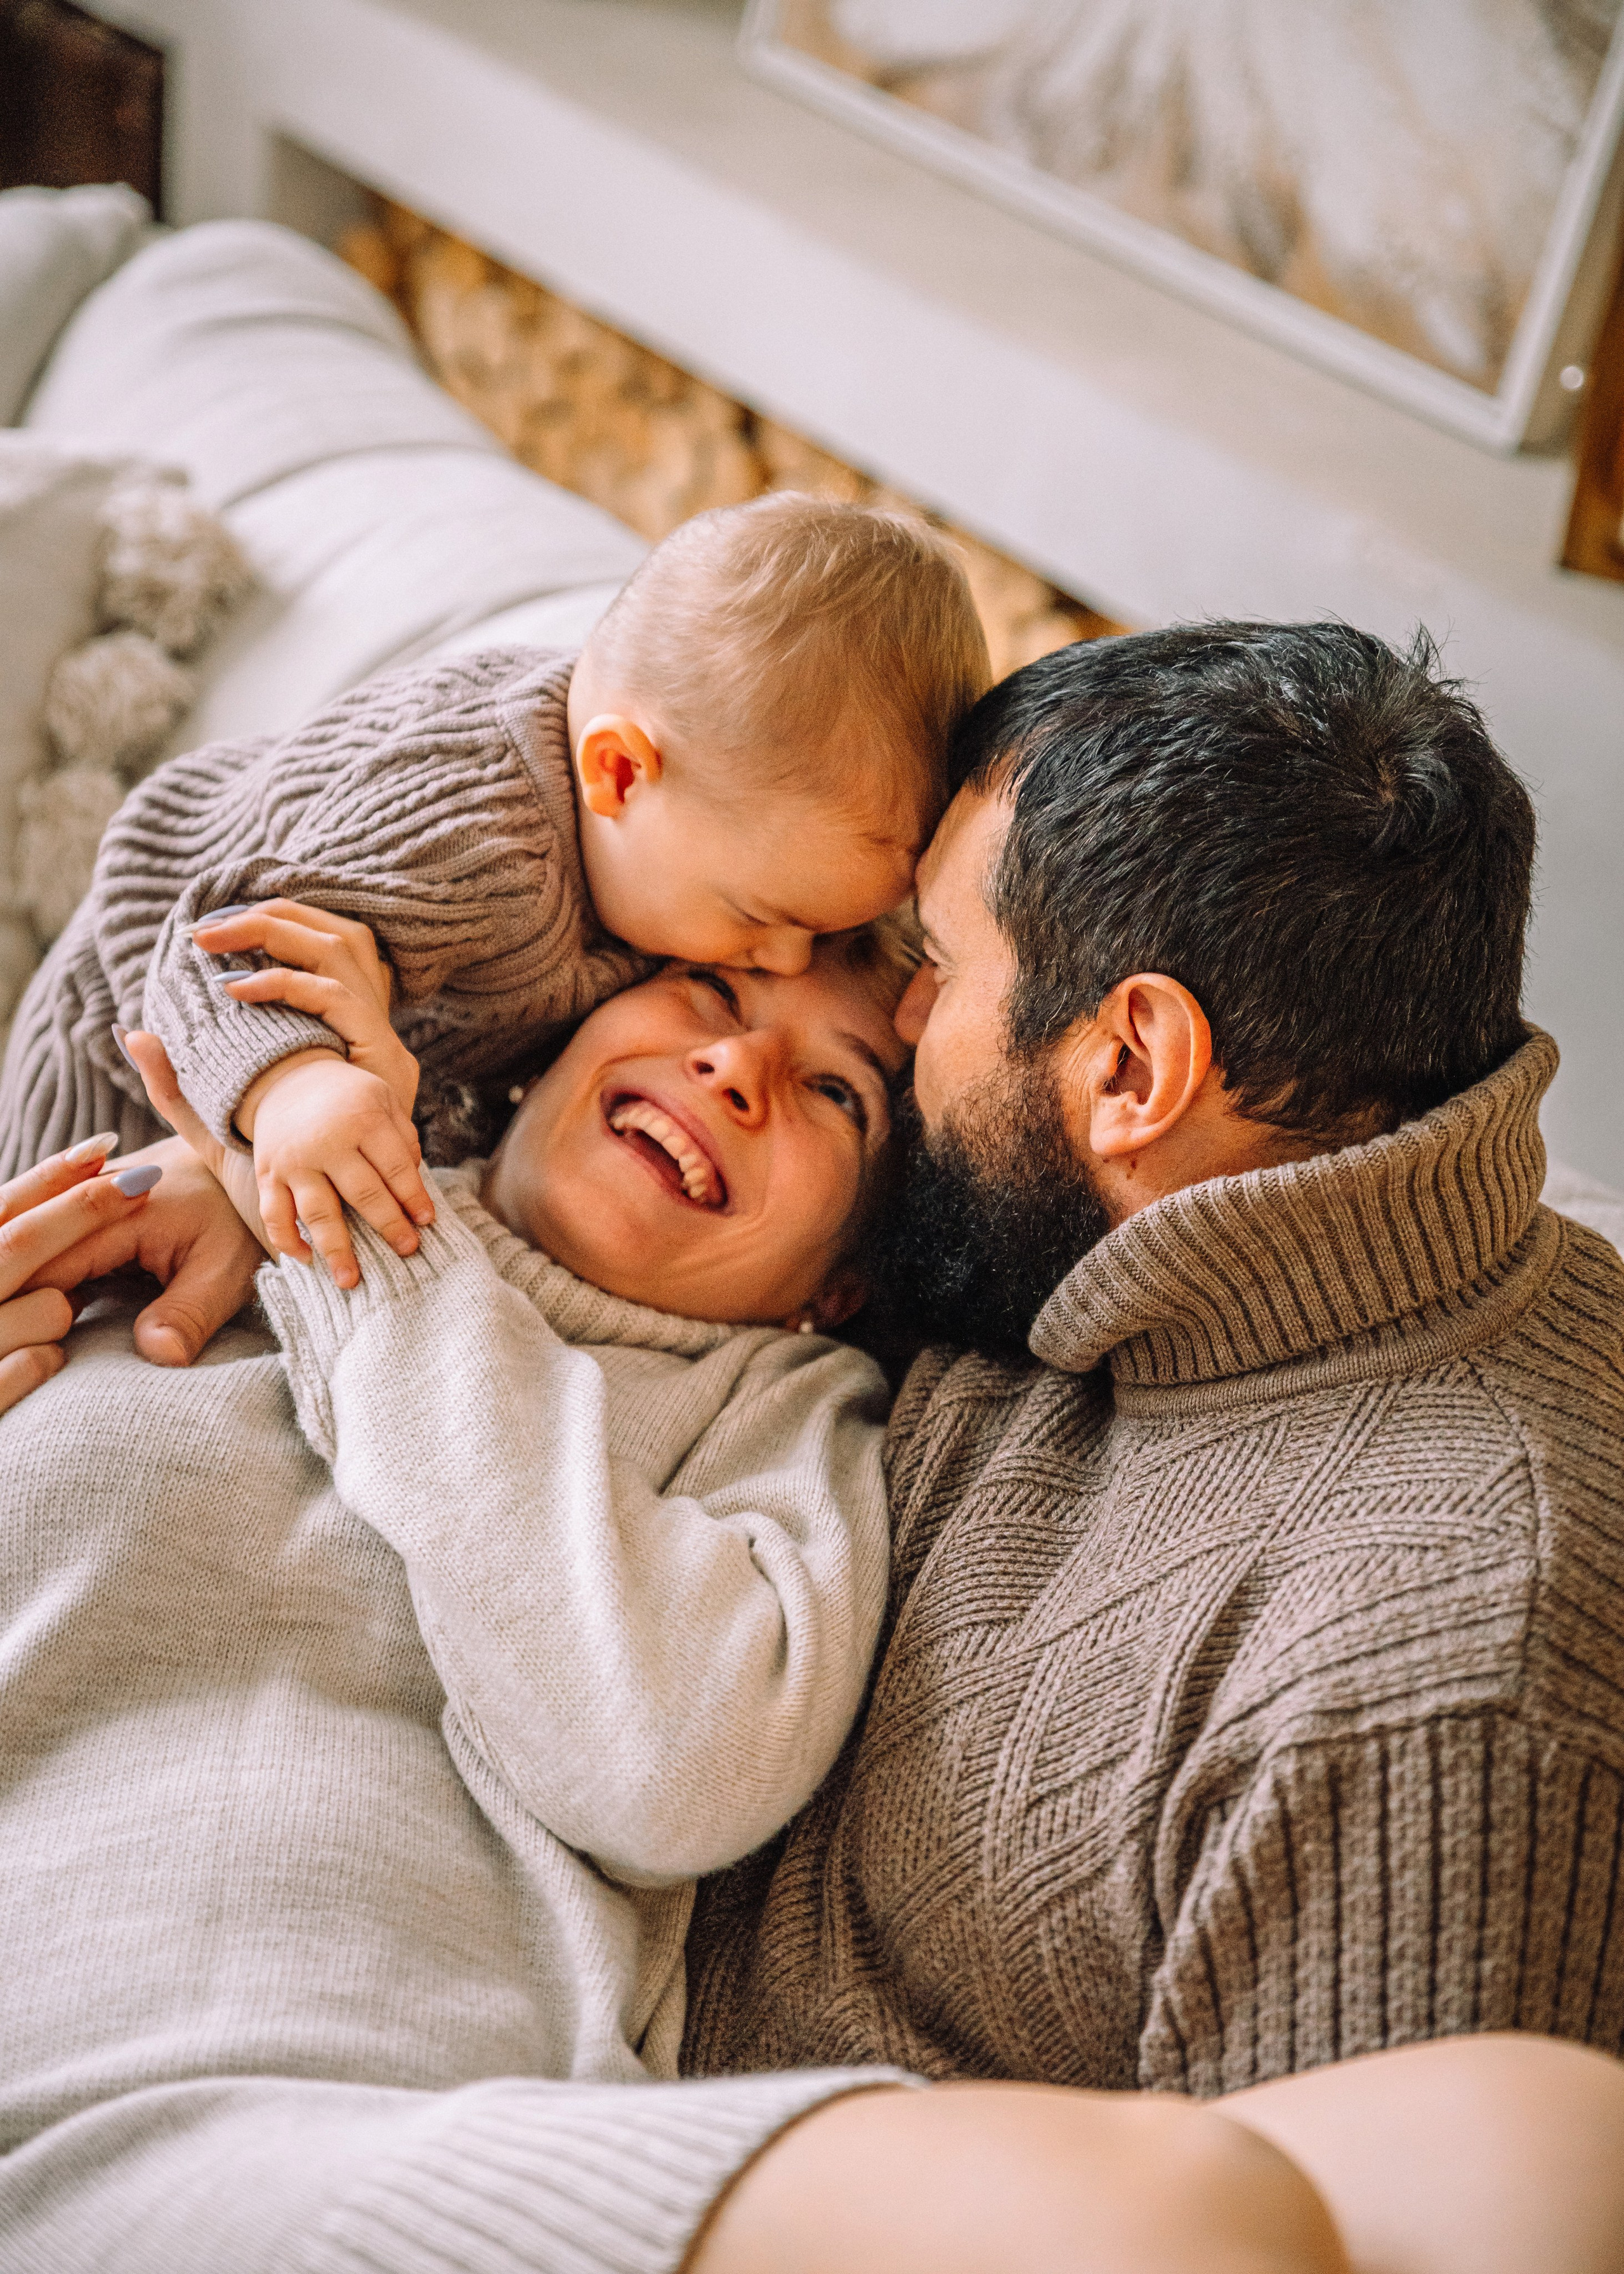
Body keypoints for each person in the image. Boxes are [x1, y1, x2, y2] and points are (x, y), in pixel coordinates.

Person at [7, 928, 1624, 2274]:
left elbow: (664, 1762)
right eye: (706, 995)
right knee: (1186, 2225)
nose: (735, 1067)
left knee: (1544, 2148)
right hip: (79, 2088)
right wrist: (305, 1169)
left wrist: (369, 1242)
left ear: (837, 1280)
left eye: (836, 1092)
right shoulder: (188, 1212)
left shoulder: (781, 1426)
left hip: (377, 2109)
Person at [683, 619, 1624, 2102]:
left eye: (935, 966)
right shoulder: (1074, 1231)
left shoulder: (1432, 1703)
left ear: (1130, 1068)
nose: (892, 1017)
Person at [0, 491, 991, 1296]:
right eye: (764, 921)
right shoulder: (479, 831)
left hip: (336, 1079)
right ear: (618, 775)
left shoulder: (681, 834)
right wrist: (297, 1088)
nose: (778, 961)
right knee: (50, 1245)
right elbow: (218, 946)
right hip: (127, 1029)